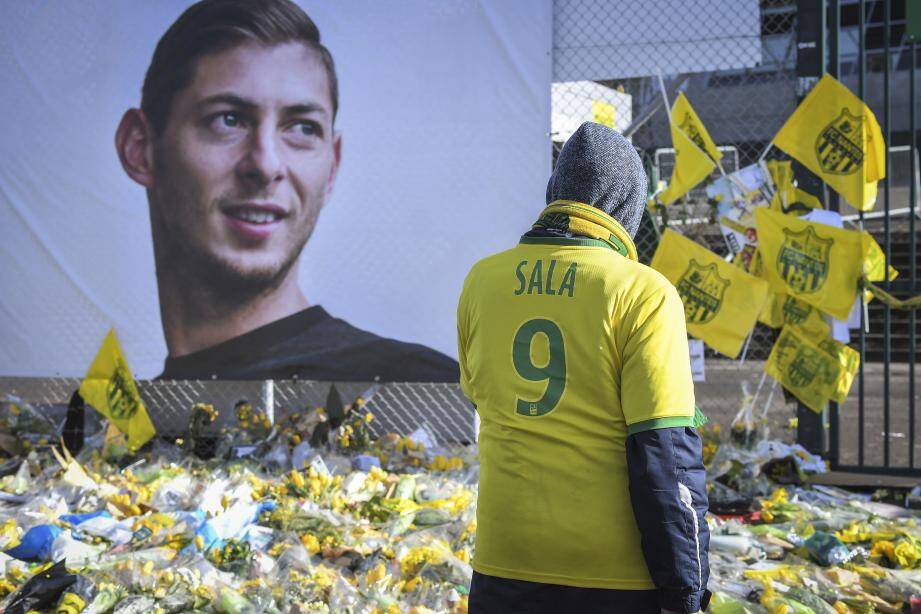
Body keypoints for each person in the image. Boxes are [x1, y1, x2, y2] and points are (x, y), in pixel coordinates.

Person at [114, 0, 457, 382]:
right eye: (228, 120)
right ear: (141, 149)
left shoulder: (427, 398)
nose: (266, 165)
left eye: (302, 128)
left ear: (332, 166)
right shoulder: (108, 430)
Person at [457, 122, 710, 613]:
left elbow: (480, 395)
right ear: (627, 207)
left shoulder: (480, 281)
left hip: (502, 563)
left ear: (556, 194)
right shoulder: (643, 292)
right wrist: (688, 592)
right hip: (613, 577)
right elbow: (667, 458)